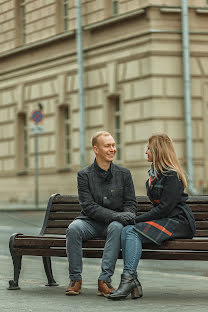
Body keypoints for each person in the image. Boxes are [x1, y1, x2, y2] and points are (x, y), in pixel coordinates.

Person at [108, 133, 196, 300]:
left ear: (158, 151)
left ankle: (128, 280)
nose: (146, 152)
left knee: (131, 230)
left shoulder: (172, 175)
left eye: (149, 148)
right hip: (165, 220)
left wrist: (137, 219)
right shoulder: (155, 174)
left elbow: (164, 208)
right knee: (127, 230)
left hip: (179, 221)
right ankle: (131, 280)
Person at [65, 131, 137, 296]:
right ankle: (75, 279)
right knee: (73, 228)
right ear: (96, 149)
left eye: (113, 145)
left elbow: (130, 203)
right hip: (89, 222)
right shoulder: (84, 175)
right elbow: (88, 206)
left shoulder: (124, 174)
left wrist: (127, 215)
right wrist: (117, 215)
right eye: (107, 146)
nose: (112, 149)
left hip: (113, 225)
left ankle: (104, 280)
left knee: (117, 228)